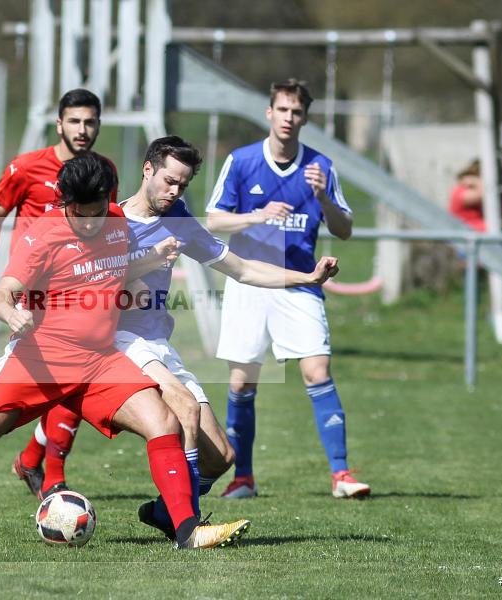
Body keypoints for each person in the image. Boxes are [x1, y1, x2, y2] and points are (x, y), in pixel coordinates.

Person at [0, 153, 251, 549]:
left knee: (165, 422)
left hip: (99, 362)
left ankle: (188, 532)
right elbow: (4, 293)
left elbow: (114, 269)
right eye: (80, 214)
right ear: (66, 202)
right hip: (41, 359)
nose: (89, 222)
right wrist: (10, 315)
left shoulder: (117, 221)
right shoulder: (43, 234)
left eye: (97, 212)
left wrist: (144, 271)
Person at [115, 135, 341, 539]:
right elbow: (89, 280)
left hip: (157, 345)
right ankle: (189, 528)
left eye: (183, 185)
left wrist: (307, 277)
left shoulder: (180, 220)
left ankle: (168, 512)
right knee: (183, 407)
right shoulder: (111, 220)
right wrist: (147, 260)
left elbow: (242, 268)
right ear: (147, 169)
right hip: (119, 342)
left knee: (221, 457)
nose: (175, 191)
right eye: (169, 181)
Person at [205, 79, 371, 500]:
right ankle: (243, 478)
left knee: (317, 372)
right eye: (282, 110)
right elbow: (213, 220)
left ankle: (341, 475)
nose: (288, 119)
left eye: (296, 113)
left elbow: (345, 230)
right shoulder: (241, 162)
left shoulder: (320, 167)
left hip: (300, 283)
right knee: (242, 384)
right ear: (269, 113)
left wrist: (324, 198)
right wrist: (256, 216)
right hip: (250, 282)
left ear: (305, 118)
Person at [0, 89, 115, 500]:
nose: (82, 129)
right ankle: (46, 468)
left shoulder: (103, 170)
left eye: (90, 122)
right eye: (74, 121)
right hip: (31, 294)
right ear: (59, 124)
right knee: (54, 382)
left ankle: (40, 464)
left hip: (80, 291)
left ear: (98, 125)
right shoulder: (26, 167)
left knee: (74, 378)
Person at [449, 159, 486, 232]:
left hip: (477, 228)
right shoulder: (460, 191)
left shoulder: (466, 188)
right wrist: (478, 182)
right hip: (466, 230)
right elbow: (484, 195)